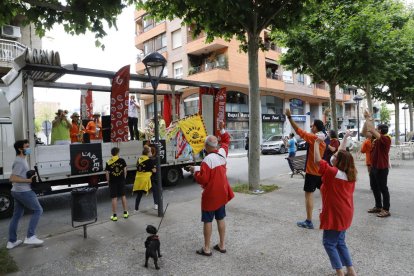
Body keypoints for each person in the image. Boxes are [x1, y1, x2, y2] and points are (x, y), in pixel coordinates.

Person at [314, 132, 357, 276]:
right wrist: (344, 139)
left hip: (335, 214)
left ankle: (339, 272)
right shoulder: (350, 174)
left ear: (338, 161)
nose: (334, 156)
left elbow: (317, 161)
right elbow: (341, 154)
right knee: (340, 242)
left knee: (329, 243)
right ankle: (350, 271)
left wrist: (316, 143)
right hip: (346, 213)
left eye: (336, 157)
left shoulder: (332, 173)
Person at [189, 122, 234, 256]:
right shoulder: (222, 153)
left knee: (207, 220)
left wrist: (195, 172)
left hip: (211, 195)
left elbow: (203, 179)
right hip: (222, 192)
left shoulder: (206, 160)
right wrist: (222, 129)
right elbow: (226, 140)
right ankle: (222, 245)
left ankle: (207, 248)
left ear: (207, 146)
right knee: (220, 218)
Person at [285, 108, 326, 229]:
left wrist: (289, 117)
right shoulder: (323, 137)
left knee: (309, 195)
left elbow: (298, 130)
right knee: (325, 194)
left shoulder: (314, 138)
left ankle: (309, 221)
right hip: (321, 171)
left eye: (312, 126)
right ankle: (327, 217)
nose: (311, 127)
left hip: (312, 172)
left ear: (316, 128)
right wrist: (326, 115)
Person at [7, 139, 44, 249]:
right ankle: (30, 236)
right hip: (23, 191)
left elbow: (19, 175)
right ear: (20, 149)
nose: (28, 148)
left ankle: (11, 241)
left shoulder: (22, 160)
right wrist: (28, 181)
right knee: (38, 210)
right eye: (26, 146)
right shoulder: (19, 161)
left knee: (16, 216)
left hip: (17, 191)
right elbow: (12, 178)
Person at [362, 110, 391, 218]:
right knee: (374, 187)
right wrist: (366, 120)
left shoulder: (386, 139)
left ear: (380, 130)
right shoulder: (376, 138)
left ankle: (386, 209)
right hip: (374, 167)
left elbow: (371, 129)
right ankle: (378, 206)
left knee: (383, 188)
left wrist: (369, 118)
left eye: (377, 129)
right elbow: (365, 131)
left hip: (382, 168)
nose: (375, 131)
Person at [105, 147, 129, 221]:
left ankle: (114, 216)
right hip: (121, 181)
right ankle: (125, 213)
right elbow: (125, 171)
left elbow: (107, 173)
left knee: (114, 198)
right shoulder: (122, 160)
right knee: (123, 196)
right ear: (117, 153)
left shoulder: (108, 162)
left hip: (113, 182)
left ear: (112, 153)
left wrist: (108, 181)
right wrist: (123, 178)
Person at [133, 145, 156, 211]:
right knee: (155, 190)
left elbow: (137, 167)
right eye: (150, 152)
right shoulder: (149, 160)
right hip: (146, 179)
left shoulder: (139, 159)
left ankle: (136, 209)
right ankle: (156, 205)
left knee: (139, 194)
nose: (151, 153)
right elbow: (154, 171)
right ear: (147, 153)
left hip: (138, 179)